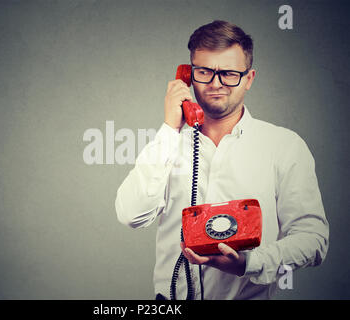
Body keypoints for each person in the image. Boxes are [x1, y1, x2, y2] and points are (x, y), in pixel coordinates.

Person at [115, 20, 329, 300]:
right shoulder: (167, 144)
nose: (216, 84)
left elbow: (313, 239)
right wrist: (170, 127)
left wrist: (248, 264)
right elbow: (131, 214)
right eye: (204, 72)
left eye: (229, 73)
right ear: (188, 76)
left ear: (249, 78)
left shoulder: (284, 146)